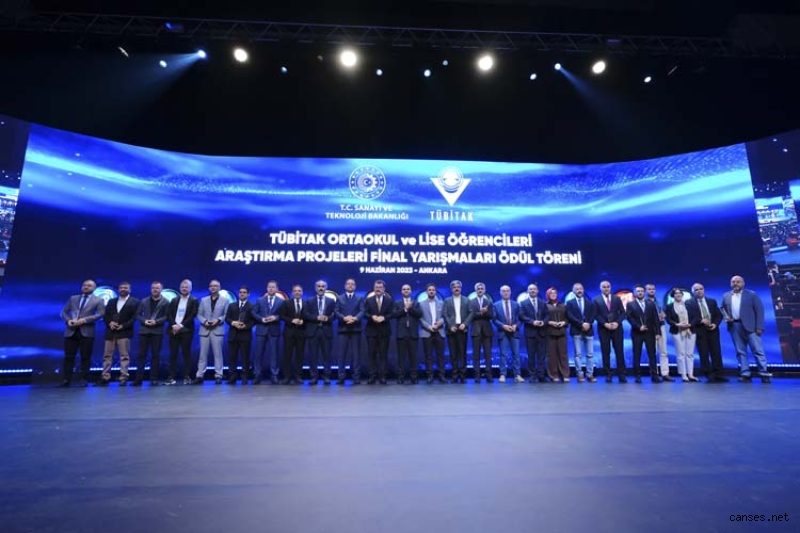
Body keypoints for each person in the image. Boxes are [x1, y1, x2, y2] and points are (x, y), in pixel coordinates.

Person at [722, 275, 772, 383]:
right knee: (740, 351)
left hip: (752, 327)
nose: (735, 283)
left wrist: (759, 326)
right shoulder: (726, 295)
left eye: (738, 281)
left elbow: (760, 311)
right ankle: (745, 373)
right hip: (734, 326)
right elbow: (722, 309)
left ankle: (763, 373)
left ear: (743, 283)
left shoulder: (752, 294)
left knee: (757, 350)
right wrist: (726, 317)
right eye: (733, 281)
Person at [59, 279, 105, 387]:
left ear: (94, 288)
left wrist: (85, 320)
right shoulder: (73, 298)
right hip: (71, 331)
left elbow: (100, 314)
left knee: (85, 357)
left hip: (87, 332)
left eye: (89, 285)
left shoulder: (98, 300)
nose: (86, 287)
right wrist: (68, 320)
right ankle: (66, 379)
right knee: (69, 356)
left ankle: (84, 379)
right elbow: (64, 312)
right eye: (84, 285)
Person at [98, 281, 139, 386]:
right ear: (118, 289)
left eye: (125, 287)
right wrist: (109, 323)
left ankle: (123, 377)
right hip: (110, 332)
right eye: (121, 287)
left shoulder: (134, 301)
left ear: (130, 290)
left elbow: (134, 318)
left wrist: (123, 326)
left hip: (124, 333)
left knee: (124, 356)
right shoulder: (112, 301)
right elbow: (105, 315)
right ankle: (105, 377)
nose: (123, 289)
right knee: (107, 356)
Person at [686, 283, 728, 383]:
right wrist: (701, 320)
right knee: (704, 354)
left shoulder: (711, 301)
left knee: (716, 353)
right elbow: (689, 316)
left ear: (704, 290)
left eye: (701, 289)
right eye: (696, 290)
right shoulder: (689, 303)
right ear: (693, 292)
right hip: (700, 330)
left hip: (713, 330)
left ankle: (719, 374)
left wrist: (715, 324)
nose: (699, 291)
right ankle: (708, 374)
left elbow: (719, 315)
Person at [133, 281, 170, 386]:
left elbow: (167, 316)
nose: (155, 290)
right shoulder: (144, 301)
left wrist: (156, 322)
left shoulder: (166, 302)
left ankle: (153, 378)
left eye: (157, 288)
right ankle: (138, 379)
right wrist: (144, 321)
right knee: (141, 355)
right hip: (144, 331)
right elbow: (137, 315)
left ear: (161, 289)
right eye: (153, 288)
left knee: (155, 355)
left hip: (157, 332)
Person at [194, 279, 229, 385]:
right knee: (202, 355)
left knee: (218, 354)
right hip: (204, 330)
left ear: (219, 288)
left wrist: (218, 320)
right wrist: (204, 321)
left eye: (215, 286)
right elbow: (199, 314)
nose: (213, 287)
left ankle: (218, 375)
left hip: (217, 330)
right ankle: (199, 375)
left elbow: (226, 314)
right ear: (209, 288)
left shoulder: (225, 300)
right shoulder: (203, 300)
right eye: (211, 286)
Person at [626, 284, 662, 383]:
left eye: (642, 291)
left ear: (644, 292)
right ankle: (637, 376)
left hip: (650, 333)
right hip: (637, 333)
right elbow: (630, 318)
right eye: (638, 291)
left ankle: (654, 375)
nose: (640, 293)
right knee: (637, 354)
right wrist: (638, 327)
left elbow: (656, 319)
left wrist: (658, 332)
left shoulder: (651, 304)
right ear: (634, 293)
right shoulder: (630, 304)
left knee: (652, 354)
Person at [165, 279, 198, 385]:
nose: (184, 289)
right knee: (173, 354)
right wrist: (174, 325)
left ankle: (187, 376)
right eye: (182, 287)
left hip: (186, 330)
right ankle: (171, 377)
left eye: (186, 287)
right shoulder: (174, 300)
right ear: (179, 288)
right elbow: (169, 314)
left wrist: (181, 325)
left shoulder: (194, 300)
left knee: (186, 354)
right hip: (173, 330)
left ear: (190, 289)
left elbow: (193, 315)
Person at [593, 281, 627, 383]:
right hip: (604, 329)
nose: (606, 288)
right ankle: (608, 374)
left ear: (610, 288)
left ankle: (622, 375)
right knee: (605, 352)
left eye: (608, 287)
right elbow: (596, 314)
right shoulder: (596, 300)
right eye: (604, 287)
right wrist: (604, 324)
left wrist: (617, 322)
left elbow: (623, 313)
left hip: (617, 329)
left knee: (619, 352)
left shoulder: (617, 298)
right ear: (600, 288)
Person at [251, 280, 284, 384]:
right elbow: (253, 312)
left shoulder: (281, 301)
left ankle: (274, 375)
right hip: (261, 329)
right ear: (266, 288)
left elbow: (283, 315)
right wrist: (261, 319)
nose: (271, 289)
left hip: (274, 330)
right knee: (258, 354)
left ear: (277, 289)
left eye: (273, 287)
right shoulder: (260, 300)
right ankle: (257, 374)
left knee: (274, 354)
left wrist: (276, 317)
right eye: (269, 287)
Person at [304, 280, 336, 385]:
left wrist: (328, 318)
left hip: (326, 331)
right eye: (319, 286)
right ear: (315, 288)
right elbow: (305, 314)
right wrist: (316, 317)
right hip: (313, 331)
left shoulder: (331, 301)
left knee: (327, 356)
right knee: (313, 356)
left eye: (323, 286)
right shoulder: (309, 301)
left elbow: (335, 315)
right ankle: (314, 377)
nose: (321, 288)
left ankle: (327, 376)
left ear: (326, 288)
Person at [665, 287, 699, 382]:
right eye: (676, 293)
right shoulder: (669, 306)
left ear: (682, 295)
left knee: (690, 354)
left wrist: (690, 324)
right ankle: (683, 375)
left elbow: (696, 317)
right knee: (681, 354)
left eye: (680, 293)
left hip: (690, 330)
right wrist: (677, 324)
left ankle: (691, 374)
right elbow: (668, 319)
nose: (678, 294)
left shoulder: (689, 305)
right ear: (673, 296)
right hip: (677, 331)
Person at [334, 278, 364, 384]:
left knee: (356, 355)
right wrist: (344, 318)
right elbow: (336, 311)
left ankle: (356, 377)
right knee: (341, 355)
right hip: (343, 329)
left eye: (352, 284)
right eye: (348, 284)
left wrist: (355, 318)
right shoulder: (339, 298)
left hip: (356, 329)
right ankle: (341, 377)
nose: (350, 285)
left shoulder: (360, 298)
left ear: (355, 286)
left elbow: (362, 311)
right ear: (345, 286)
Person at [565, 282, 596, 382]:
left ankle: (590, 374)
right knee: (578, 354)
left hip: (589, 330)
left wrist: (588, 324)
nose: (579, 291)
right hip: (576, 330)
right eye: (577, 289)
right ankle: (579, 374)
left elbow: (593, 315)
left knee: (590, 354)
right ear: (573, 291)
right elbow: (570, 316)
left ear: (583, 290)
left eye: (580, 289)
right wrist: (581, 324)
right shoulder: (570, 303)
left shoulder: (590, 302)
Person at [443, 279, 472, 383]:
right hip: (451, 330)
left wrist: (465, 324)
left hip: (462, 329)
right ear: (451, 289)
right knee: (453, 354)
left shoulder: (466, 300)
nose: (456, 289)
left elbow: (471, 313)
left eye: (458, 287)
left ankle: (463, 375)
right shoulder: (447, 300)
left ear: (461, 288)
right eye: (454, 287)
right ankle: (455, 375)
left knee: (462, 353)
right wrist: (450, 326)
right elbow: (445, 314)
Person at [364, 279, 393, 384]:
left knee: (383, 355)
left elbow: (392, 313)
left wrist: (384, 318)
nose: (378, 289)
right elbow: (365, 313)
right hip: (371, 331)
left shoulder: (389, 300)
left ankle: (382, 376)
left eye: (380, 287)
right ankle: (372, 376)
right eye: (376, 287)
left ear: (384, 289)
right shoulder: (368, 300)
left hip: (384, 331)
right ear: (374, 288)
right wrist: (372, 317)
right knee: (371, 355)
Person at [493, 285, 524, 383]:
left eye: (507, 291)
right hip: (503, 332)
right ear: (500, 293)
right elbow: (494, 319)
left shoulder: (516, 304)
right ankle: (503, 374)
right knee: (503, 354)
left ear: (510, 292)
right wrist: (503, 326)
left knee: (516, 354)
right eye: (504, 291)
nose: (506, 292)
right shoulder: (496, 305)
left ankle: (517, 375)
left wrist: (516, 325)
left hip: (514, 331)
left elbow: (521, 318)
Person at [519, 283, 549, 383]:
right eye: (530, 289)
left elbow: (547, 315)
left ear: (537, 291)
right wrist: (532, 322)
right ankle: (532, 375)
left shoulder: (542, 303)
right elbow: (522, 316)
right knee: (531, 355)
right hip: (530, 332)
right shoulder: (523, 303)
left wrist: (543, 322)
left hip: (541, 332)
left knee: (541, 356)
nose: (532, 291)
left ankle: (541, 375)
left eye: (534, 289)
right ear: (528, 291)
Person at [393, 283, 422, 384]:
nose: (406, 290)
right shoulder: (397, 303)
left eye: (408, 289)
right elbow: (394, 314)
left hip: (413, 334)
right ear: (401, 291)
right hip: (401, 334)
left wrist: (410, 308)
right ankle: (401, 377)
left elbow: (419, 314)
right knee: (401, 357)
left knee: (413, 357)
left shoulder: (416, 303)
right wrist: (405, 309)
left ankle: (414, 377)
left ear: (411, 291)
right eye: (404, 289)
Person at [225, 286, 255, 384]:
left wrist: (245, 326)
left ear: (248, 294)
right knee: (232, 357)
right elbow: (227, 318)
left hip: (245, 335)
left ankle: (244, 376)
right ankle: (232, 376)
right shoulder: (232, 305)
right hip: (233, 335)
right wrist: (233, 322)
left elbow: (253, 321)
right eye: (240, 292)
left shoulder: (252, 306)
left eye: (244, 292)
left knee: (245, 358)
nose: (242, 294)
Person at [419, 283, 447, 383]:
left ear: (435, 291)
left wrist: (440, 323)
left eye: (433, 290)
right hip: (427, 332)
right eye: (429, 290)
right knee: (428, 356)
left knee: (440, 355)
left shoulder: (441, 303)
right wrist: (429, 327)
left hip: (439, 331)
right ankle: (430, 376)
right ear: (427, 291)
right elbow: (420, 318)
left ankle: (441, 375)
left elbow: (445, 316)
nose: (431, 291)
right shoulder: (421, 304)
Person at [646, 284, 674, 381]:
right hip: (650, 328)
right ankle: (654, 374)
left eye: (653, 289)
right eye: (649, 289)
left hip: (661, 326)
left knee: (663, 351)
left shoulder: (659, 302)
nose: (651, 290)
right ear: (646, 291)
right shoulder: (644, 302)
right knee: (652, 352)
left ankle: (665, 373)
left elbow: (664, 313)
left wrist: (664, 315)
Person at [468, 282, 494, 383]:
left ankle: (488, 375)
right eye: (478, 289)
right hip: (476, 330)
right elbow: (471, 316)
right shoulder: (471, 302)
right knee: (476, 354)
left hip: (487, 331)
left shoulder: (489, 302)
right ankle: (477, 375)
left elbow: (491, 316)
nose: (480, 290)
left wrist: (486, 312)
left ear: (484, 290)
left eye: (481, 289)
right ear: (476, 290)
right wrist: (481, 313)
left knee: (488, 354)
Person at [280, 284, 306, 385]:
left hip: (301, 333)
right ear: (292, 293)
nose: (297, 292)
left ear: (302, 292)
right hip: (289, 333)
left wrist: (303, 321)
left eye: (299, 291)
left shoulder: (306, 303)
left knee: (300, 355)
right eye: (295, 291)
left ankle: (298, 376)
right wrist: (291, 320)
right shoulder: (286, 303)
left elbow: (308, 316)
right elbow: (282, 316)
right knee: (287, 355)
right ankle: (287, 377)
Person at [545, 287, 569, 382]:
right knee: (552, 355)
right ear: (548, 295)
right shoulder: (545, 306)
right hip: (550, 332)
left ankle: (565, 375)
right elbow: (543, 318)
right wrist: (549, 322)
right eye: (551, 293)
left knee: (563, 355)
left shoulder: (563, 305)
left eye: (555, 293)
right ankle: (554, 375)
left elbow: (568, 318)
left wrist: (564, 322)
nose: (553, 294)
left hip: (561, 332)